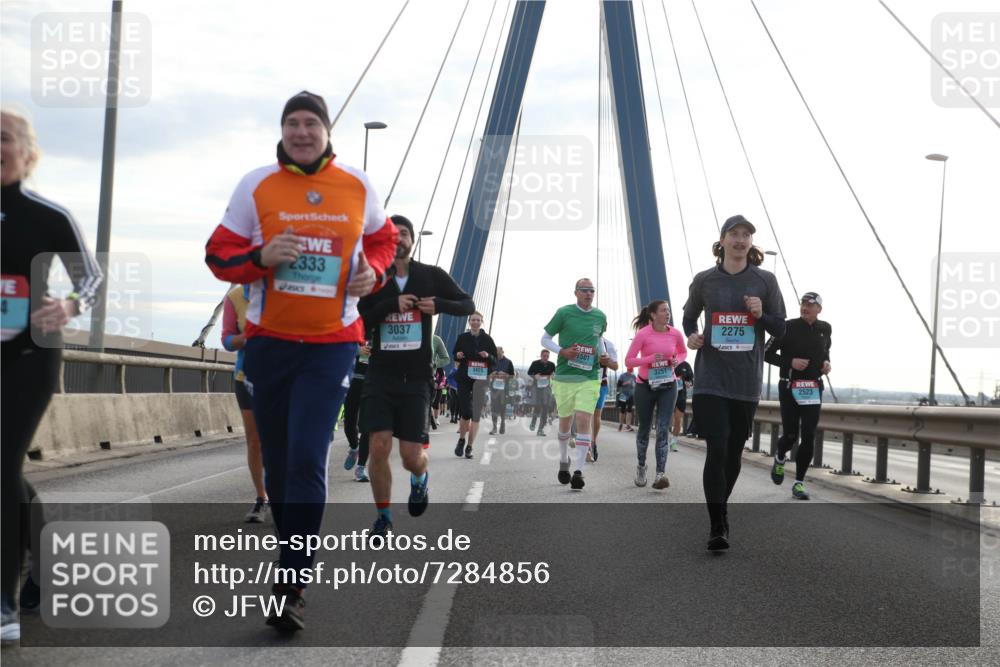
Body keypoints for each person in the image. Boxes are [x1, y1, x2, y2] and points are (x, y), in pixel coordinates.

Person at [204, 91, 397, 631]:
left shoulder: (357, 184)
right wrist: (259, 258)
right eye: (293, 123)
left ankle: (290, 584)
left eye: (312, 123)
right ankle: (290, 563)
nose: (302, 131)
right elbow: (218, 253)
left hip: (333, 342)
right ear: (283, 131)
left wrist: (375, 273)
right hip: (268, 343)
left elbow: (383, 239)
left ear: (328, 131)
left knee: (309, 457)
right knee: (282, 462)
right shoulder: (256, 184)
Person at [2, 107, 103, 644]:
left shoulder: (45, 215)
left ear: (28, 152)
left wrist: (65, 306)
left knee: (1, 463)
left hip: (30, 355)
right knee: (4, 471)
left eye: (5, 138)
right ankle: (44, 559)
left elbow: (90, 278)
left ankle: (4, 601)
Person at [358, 215, 474, 538]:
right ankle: (383, 518)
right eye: (392, 234)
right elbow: (359, 320)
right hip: (380, 375)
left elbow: (468, 304)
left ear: (412, 240)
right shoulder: (374, 278)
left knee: (411, 457)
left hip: (416, 379)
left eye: (404, 233)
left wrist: (438, 304)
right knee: (378, 447)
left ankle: (420, 479)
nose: (398, 239)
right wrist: (389, 305)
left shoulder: (430, 275)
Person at [683, 214, 785, 550]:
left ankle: (720, 508)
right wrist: (693, 335)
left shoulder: (765, 281)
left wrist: (761, 314)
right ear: (722, 240)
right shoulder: (705, 280)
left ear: (751, 243)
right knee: (718, 446)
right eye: (734, 234)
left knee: (734, 452)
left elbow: (781, 328)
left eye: (746, 235)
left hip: (745, 381)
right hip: (711, 379)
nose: (740, 240)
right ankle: (718, 525)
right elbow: (688, 316)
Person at [541, 278, 608, 490]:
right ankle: (563, 461)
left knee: (583, 420)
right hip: (565, 377)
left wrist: (603, 354)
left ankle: (579, 471)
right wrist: (562, 351)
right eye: (585, 290)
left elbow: (598, 339)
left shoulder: (600, 316)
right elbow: (545, 339)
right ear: (576, 292)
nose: (589, 294)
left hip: (589, 377)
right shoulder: (564, 313)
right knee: (564, 424)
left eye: (592, 291)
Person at [765, 292, 831, 500]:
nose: (805, 307)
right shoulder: (786, 327)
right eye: (803, 303)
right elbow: (766, 353)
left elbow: (826, 350)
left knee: (809, 434)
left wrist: (826, 363)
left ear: (819, 309)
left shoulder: (825, 328)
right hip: (789, 386)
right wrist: (790, 362)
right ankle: (780, 456)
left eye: (810, 304)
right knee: (791, 435)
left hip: (813, 388)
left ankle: (799, 483)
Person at [625, 300, 687, 489]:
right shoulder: (643, 335)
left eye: (668, 310)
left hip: (669, 385)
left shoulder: (675, 333)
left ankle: (660, 473)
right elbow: (629, 360)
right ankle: (642, 466)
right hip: (645, 386)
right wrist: (649, 359)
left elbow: (683, 352)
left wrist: (677, 360)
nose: (667, 313)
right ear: (653, 315)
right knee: (644, 428)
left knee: (662, 429)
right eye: (663, 310)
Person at [220, 284, 269, 521]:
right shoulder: (236, 296)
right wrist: (247, 337)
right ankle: (261, 498)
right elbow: (227, 340)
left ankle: (284, 495)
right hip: (245, 376)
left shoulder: (281, 288)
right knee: (254, 442)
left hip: (281, 378)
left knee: (279, 441)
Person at [452, 312, 497, 459]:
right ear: (469, 322)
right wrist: (457, 355)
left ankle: (469, 447)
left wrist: (488, 356)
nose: (475, 322)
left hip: (480, 379)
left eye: (478, 320)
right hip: (465, 377)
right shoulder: (462, 337)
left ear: (482, 322)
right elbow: (455, 353)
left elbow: (495, 361)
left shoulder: (488, 339)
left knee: (476, 415)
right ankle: (461, 440)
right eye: (473, 320)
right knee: (465, 412)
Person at [342, 340, 372, 482]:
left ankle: (361, 467)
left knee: (366, 427)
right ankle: (354, 448)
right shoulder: (353, 327)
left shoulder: (380, 330)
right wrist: (357, 351)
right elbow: (338, 348)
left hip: (372, 384)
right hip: (352, 382)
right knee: (349, 423)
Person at [589, 336, 619, 462]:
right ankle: (585, 445)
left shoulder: (609, 344)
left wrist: (605, 361)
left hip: (601, 384)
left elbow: (616, 366)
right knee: (584, 415)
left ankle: (593, 442)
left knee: (596, 416)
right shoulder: (584, 339)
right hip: (583, 383)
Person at [527, 349, 556, 436]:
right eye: (544, 356)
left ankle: (540, 429)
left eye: (547, 356)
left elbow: (555, 374)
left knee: (545, 408)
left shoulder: (551, 364)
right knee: (537, 406)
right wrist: (535, 376)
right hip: (537, 388)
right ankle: (533, 422)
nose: (546, 358)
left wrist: (553, 376)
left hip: (547, 388)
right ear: (541, 355)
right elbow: (529, 372)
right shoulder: (535, 363)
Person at [489, 346, 516, 435]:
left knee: (502, 407)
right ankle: (494, 427)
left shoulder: (508, 362)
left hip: (504, 389)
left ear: (502, 351)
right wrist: (492, 374)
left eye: (498, 351)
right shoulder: (492, 361)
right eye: (495, 351)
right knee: (494, 407)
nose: (496, 352)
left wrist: (505, 375)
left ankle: (503, 424)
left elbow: (513, 376)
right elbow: (487, 373)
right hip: (494, 388)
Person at [671, 360, 694, 451]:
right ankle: (662, 441)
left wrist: (689, 383)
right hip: (667, 395)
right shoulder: (666, 360)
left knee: (677, 420)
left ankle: (673, 443)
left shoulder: (685, 365)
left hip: (680, 396)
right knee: (664, 419)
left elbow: (691, 380)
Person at [430, 334, 450, 430]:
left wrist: (434, 363)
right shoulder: (407, 335)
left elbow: (446, 359)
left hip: (434, 383)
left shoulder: (435, 339)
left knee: (435, 402)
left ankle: (434, 418)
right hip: (407, 377)